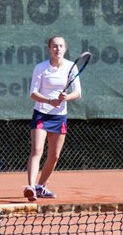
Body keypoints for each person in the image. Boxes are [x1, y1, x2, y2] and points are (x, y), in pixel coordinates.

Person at [23, 36, 82, 201]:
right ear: (49, 49)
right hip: (41, 113)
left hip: (59, 117)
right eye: (54, 46)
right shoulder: (41, 68)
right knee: (37, 150)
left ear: (65, 48)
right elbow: (33, 93)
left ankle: (41, 186)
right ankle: (30, 186)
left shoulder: (71, 67)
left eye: (61, 46)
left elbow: (77, 92)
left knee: (54, 156)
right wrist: (49, 101)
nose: (58, 49)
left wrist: (65, 98)